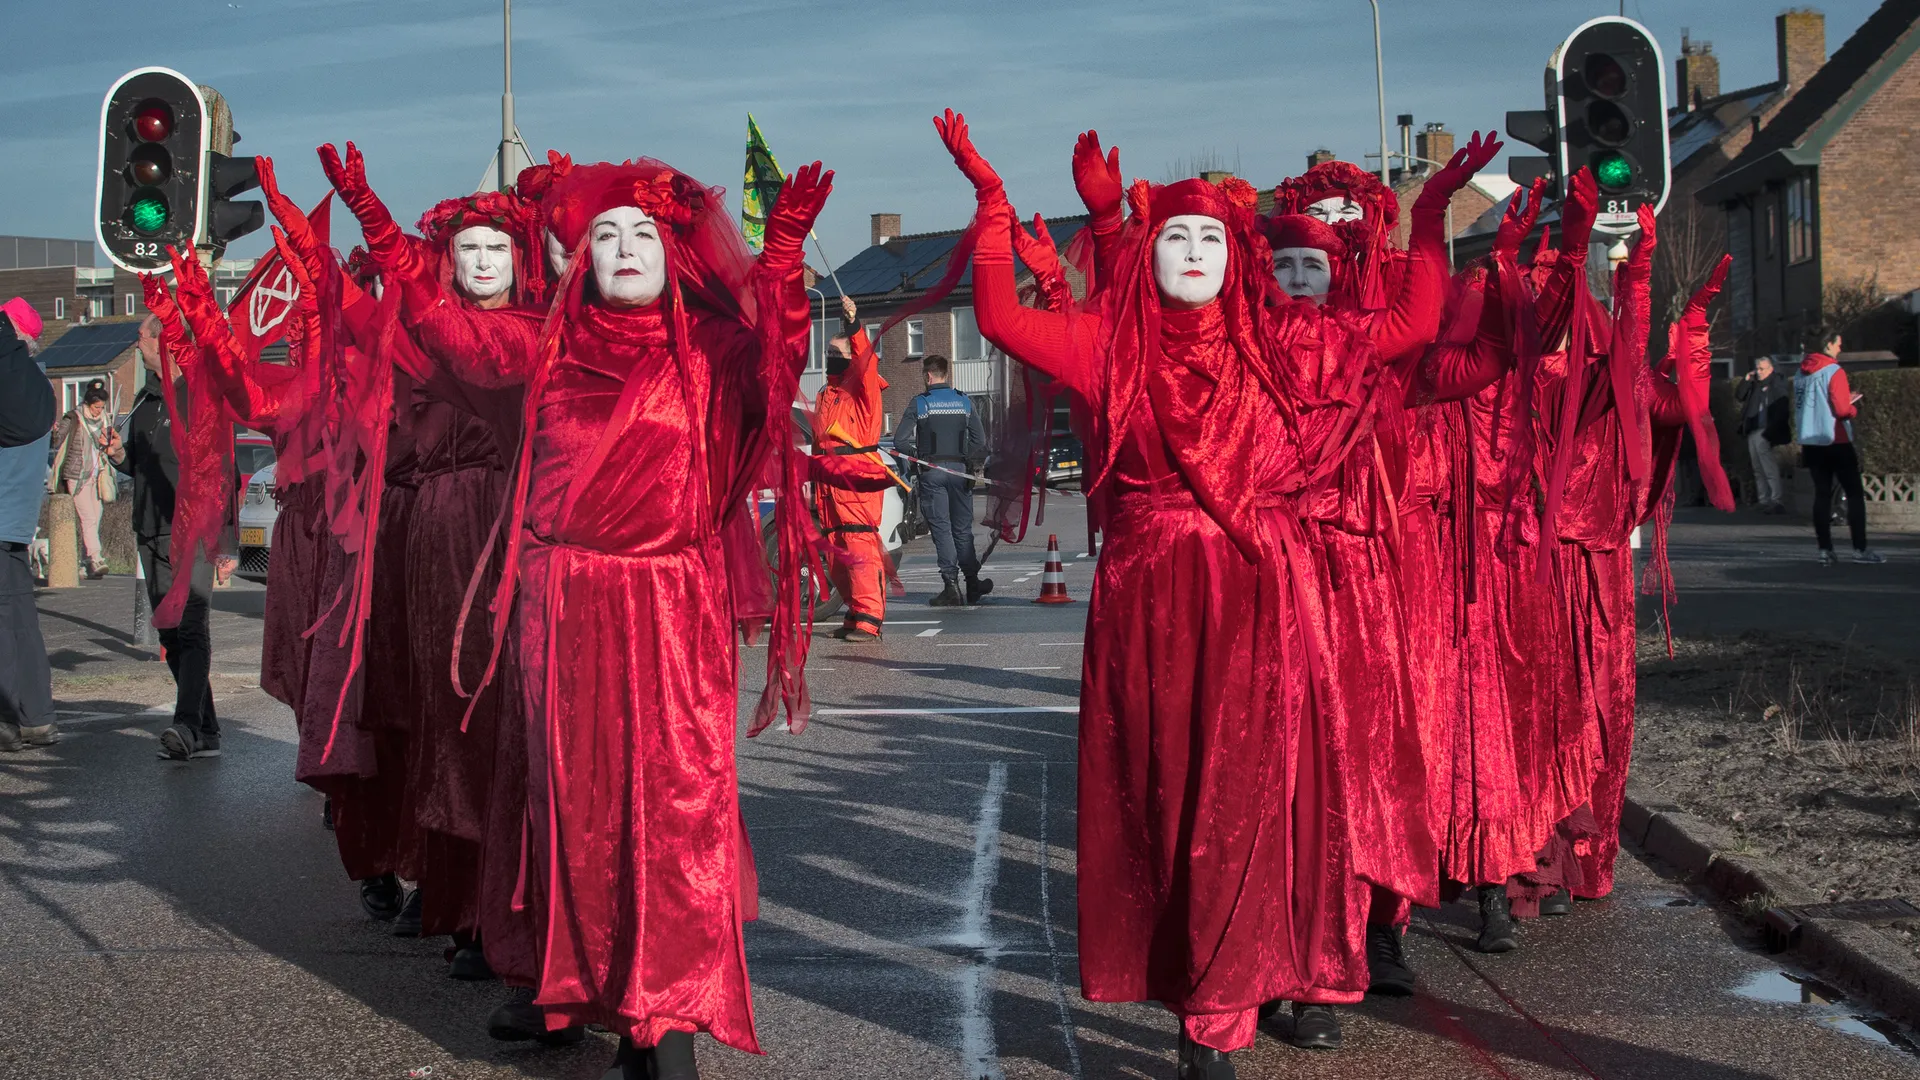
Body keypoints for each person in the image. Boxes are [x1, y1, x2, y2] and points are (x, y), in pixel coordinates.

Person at [376, 154, 831, 1079]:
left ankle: (667, 1022)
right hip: (561, 610)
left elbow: (778, 363)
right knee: (577, 817)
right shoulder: (539, 348)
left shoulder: (712, 350)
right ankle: (593, 996)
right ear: (579, 257)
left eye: (644, 234)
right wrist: (387, 242)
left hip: (669, 608)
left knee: (675, 819)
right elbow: (448, 334)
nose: (623, 248)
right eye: (604, 236)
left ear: (676, 251)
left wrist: (779, 257)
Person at [107, 315, 237, 761]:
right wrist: (119, 455)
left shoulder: (198, 398)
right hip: (148, 528)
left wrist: (227, 543)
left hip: (193, 533)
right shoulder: (145, 400)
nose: (136, 343)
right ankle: (207, 728)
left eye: (141, 337)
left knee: (191, 627)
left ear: (166, 343)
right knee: (170, 634)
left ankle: (185, 726)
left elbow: (224, 470)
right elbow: (138, 466)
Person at [814, 295, 893, 638]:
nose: (831, 359)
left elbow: (865, 359)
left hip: (855, 474)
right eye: (828, 353)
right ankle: (854, 608)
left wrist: (853, 326)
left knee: (860, 543)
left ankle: (869, 615)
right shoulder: (826, 393)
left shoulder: (863, 388)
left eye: (837, 353)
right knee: (837, 547)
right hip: (829, 478)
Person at [0, 297, 59, 753]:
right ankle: (37, 715)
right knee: (20, 619)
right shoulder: (40, 387)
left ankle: (9, 717)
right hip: (18, 517)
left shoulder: (9, 384)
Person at [893, 352, 991, 606]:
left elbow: (899, 441)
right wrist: (966, 459)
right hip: (960, 472)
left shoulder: (920, 403)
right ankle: (972, 583)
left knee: (942, 530)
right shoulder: (964, 401)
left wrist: (916, 457)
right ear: (946, 374)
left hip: (932, 472)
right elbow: (980, 441)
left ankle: (951, 586)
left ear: (928, 376)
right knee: (962, 529)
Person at [1795, 331, 1881, 565]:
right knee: (1854, 493)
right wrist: (1852, 408)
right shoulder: (1834, 371)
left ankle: (1825, 549)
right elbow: (1842, 410)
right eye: (1838, 344)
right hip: (1835, 438)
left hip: (1811, 440)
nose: (1840, 349)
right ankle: (1860, 549)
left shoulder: (1800, 373)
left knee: (1822, 495)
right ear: (1829, 344)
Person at [50, 381, 116, 577]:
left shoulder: (104, 420)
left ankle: (82, 562)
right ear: (87, 404)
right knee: (87, 517)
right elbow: (57, 439)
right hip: (77, 475)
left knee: (95, 518)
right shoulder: (74, 418)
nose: (99, 411)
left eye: (102, 408)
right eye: (96, 408)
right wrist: (53, 430)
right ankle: (96, 558)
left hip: (97, 474)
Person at [1736, 355, 1790, 513]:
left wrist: (1772, 429)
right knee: (1757, 467)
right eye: (1757, 369)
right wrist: (1746, 379)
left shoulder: (1776, 384)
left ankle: (1775, 500)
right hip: (1753, 429)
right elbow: (1740, 395)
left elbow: (1781, 407)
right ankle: (1764, 499)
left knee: (1768, 465)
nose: (1758, 372)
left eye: (1762, 369)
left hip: (1765, 429)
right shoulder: (1755, 385)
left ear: (1771, 369)